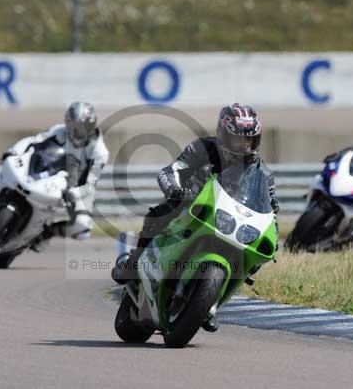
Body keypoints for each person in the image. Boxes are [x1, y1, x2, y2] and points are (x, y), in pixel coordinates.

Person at [111, 103, 279, 329]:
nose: (244, 145)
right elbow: (172, 170)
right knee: (160, 214)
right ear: (223, 135)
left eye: (249, 140)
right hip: (191, 207)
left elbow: (271, 204)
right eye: (238, 139)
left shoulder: (262, 170)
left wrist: (272, 224)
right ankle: (134, 262)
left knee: (255, 256)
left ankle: (213, 302)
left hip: (230, 219)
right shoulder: (204, 148)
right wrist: (176, 189)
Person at [2, 101, 109, 249]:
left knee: (82, 227)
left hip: (76, 186)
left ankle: (47, 232)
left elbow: (91, 185)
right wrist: (14, 151)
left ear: (91, 126)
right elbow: (34, 141)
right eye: (73, 125)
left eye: (82, 127)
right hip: (49, 170)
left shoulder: (100, 152)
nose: (76, 131)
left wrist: (74, 193)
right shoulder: (59, 130)